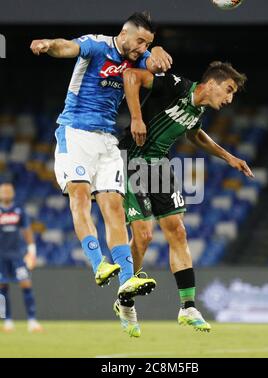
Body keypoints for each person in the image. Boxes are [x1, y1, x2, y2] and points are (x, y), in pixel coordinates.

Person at [30, 11, 173, 338]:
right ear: (125, 34)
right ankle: (98, 264)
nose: (142, 48)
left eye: (148, 44)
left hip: (107, 140)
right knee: (80, 197)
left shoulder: (142, 53)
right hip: (76, 133)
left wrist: (160, 55)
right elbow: (67, 47)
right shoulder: (96, 46)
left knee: (114, 208)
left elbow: (155, 65)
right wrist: (48, 44)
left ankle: (125, 281)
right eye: (140, 41)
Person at [116, 61, 254, 331]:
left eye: (233, 94)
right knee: (143, 236)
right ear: (211, 83)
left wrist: (230, 158)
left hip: (158, 166)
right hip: (131, 160)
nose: (229, 98)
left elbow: (196, 136)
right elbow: (130, 75)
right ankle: (125, 300)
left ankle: (188, 307)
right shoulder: (174, 86)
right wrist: (136, 117)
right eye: (228, 90)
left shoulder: (198, 111)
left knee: (177, 231)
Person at [0, 182, 43, 333]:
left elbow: (27, 231)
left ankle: (32, 321)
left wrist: (32, 250)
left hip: (17, 255)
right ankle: (7, 321)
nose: (6, 193)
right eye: (3, 191)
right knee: (2, 288)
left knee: (26, 284)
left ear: (12, 193)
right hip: (1, 256)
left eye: (8, 190)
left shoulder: (19, 211)